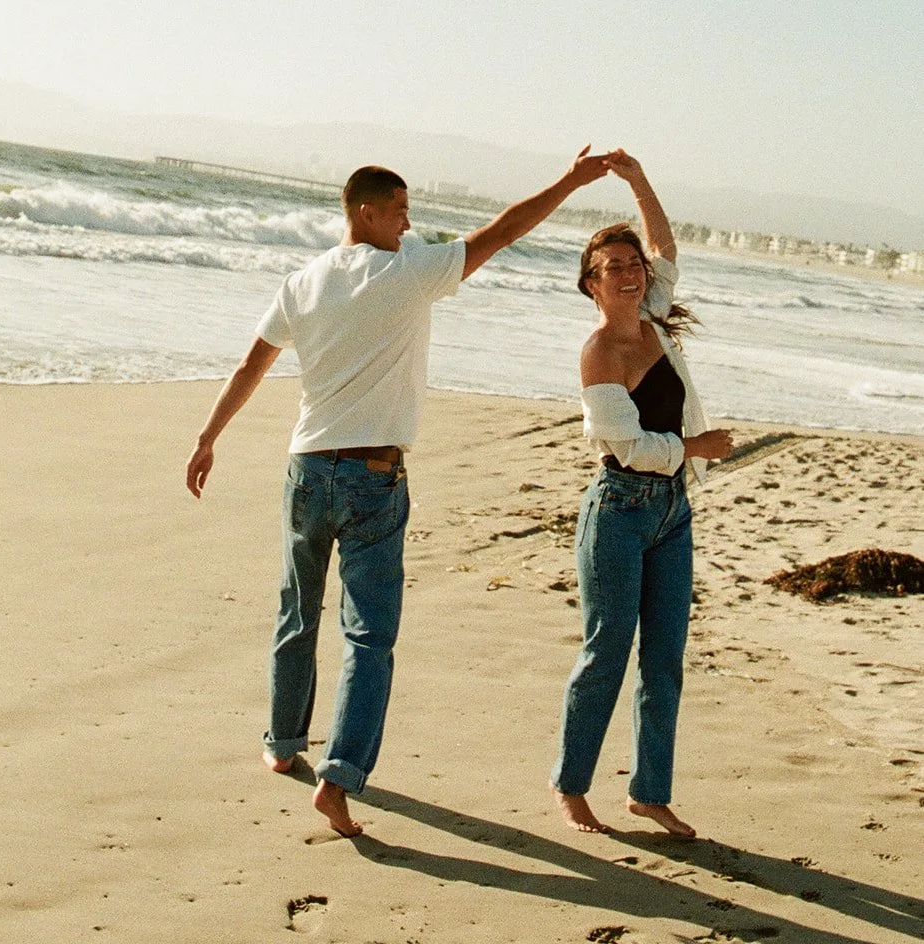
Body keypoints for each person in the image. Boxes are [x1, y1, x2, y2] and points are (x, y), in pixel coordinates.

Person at [187, 146, 609, 837]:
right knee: (369, 635)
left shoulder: (302, 280)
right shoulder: (408, 272)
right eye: (401, 212)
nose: (410, 225)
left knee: (298, 609)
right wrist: (569, 180)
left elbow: (252, 362)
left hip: (304, 468)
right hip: (372, 477)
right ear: (365, 211)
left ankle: (282, 743)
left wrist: (209, 437)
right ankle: (340, 774)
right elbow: (502, 232)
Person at [551, 150, 734, 840]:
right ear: (589, 284)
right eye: (613, 269)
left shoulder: (655, 319)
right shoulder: (600, 352)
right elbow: (623, 444)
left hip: (671, 513)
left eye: (633, 267)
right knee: (606, 650)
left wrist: (635, 181)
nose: (630, 274)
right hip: (620, 509)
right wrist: (695, 449)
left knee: (663, 658)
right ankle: (571, 786)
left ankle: (648, 792)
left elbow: (664, 242)